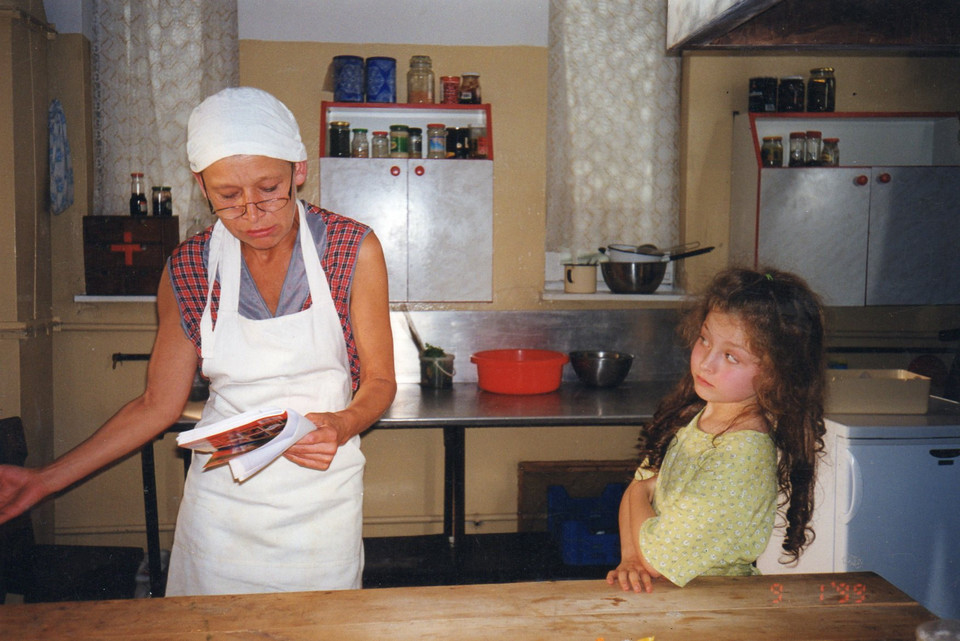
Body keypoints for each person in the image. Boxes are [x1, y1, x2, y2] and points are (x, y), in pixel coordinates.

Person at [0, 87, 397, 596]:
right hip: (222, 510)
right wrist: (43, 480)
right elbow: (154, 406)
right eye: (229, 197)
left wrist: (344, 423)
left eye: (269, 188)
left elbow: (381, 380)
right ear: (201, 187)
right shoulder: (189, 268)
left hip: (322, 502)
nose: (254, 213)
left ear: (299, 170)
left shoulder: (350, 249)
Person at [607, 267, 826, 593]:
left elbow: (656, 554)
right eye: (704, 339)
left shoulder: (739, 454)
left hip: (719, 606)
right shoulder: (706, 416)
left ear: (776, 375)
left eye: (731, 357)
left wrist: (642, 494)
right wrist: (630, 559)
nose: (706, 363)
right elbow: (637, 491)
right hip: (677, 599)